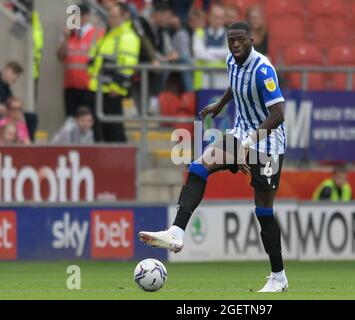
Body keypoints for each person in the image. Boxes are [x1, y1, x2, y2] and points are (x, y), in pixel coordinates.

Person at [139, 22, 289, 293]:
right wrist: (221, 103)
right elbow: (235, 84)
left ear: (251, 40)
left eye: (240, 40)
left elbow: (278, 114)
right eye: (231, 40)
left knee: (263, 210)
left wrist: (249, 143)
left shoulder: (263, 69)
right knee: (199, 165)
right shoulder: (232, 61)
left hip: (268, 146)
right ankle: (177, 231)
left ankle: (278, 277)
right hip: (239, 134)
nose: (235, 45)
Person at [88, 2, 140, 142]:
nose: (110, 19)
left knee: (113, 130)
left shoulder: (128, 37)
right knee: (100, 130)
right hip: (99, 88)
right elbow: (96, 56)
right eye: (110, 16)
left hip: (111, 91)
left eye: (114, 16)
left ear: (124, 16)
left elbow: (128, 65)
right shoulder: (109, 34)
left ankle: (120, 160)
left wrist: (117, 86)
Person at [57, 3, 104, 118]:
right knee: (71, 119)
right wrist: (66, 38)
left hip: (88, 86)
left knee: (88, 119)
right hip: (70, 85)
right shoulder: (69, 34)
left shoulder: (97, 34)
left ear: (86, 16)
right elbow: (60, 56)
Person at [192, 4, 229, 90]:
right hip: (203, 83)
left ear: (224, 19)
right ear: (209, 17)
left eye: (220, 18)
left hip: (223, 82)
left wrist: (209, 51)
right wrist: (220, 56)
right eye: (215, 17)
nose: (217, 20)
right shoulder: (199, 33)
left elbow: (230, 53)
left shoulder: (230, 35)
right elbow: (199, 54)